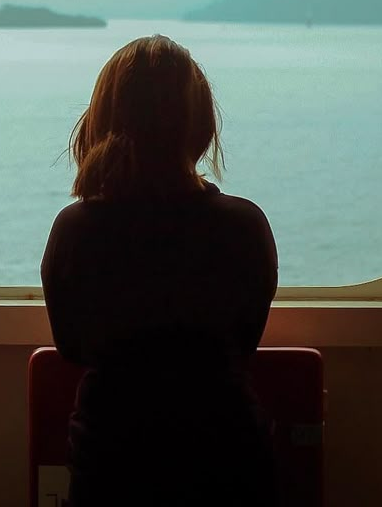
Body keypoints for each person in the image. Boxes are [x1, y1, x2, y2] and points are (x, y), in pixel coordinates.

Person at [41, 34, 280, 507]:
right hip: (229, 456)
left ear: (101, 122)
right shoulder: (244, 225)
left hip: (111, 459)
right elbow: (244, 343)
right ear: (200, 127)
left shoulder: (77, 229)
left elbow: (72, 348)